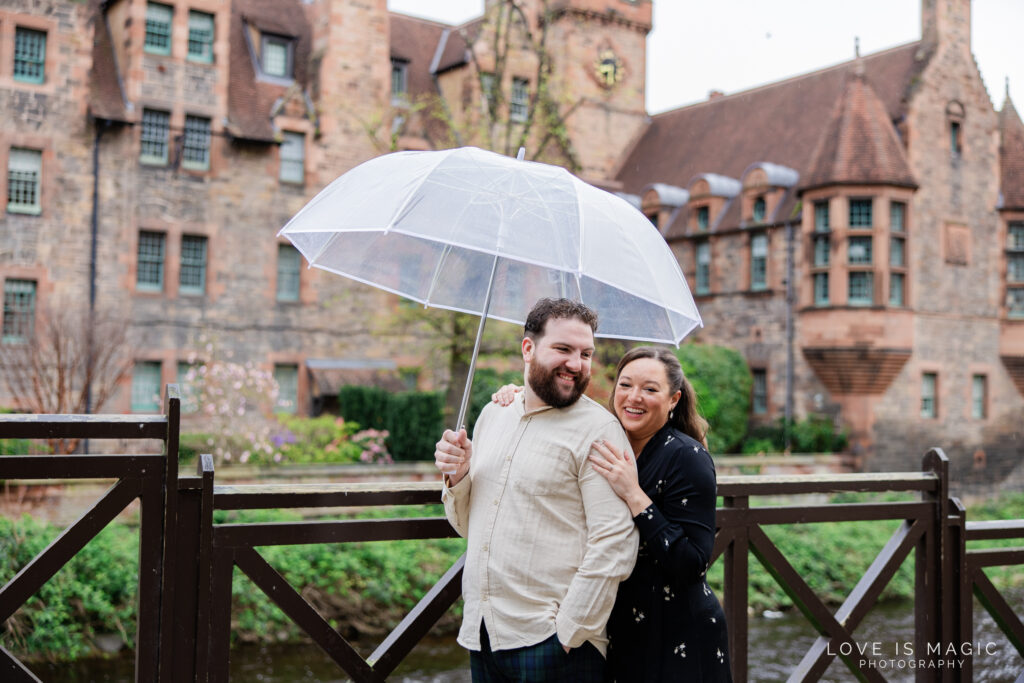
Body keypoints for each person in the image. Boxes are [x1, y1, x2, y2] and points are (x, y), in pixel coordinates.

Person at [494, 346, 731, 682]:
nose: (634, 397)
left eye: (650, 389)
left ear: (674, 400)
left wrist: (634, 494)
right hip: (617, 630)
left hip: (678, 635)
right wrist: (519, 395)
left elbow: (692, 563)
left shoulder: (686, 456)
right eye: (625, 385)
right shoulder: (604, 438)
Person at [434, 298, 639, 682]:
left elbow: (614, 543)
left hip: (553, 644)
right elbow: (469, 526)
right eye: (563, 349)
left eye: (586, 353)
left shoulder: (600, 431)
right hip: (483, 634)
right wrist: (459, 477)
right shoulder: (493, 414)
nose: (576, 364)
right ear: (528, 348)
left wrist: (567, 632)